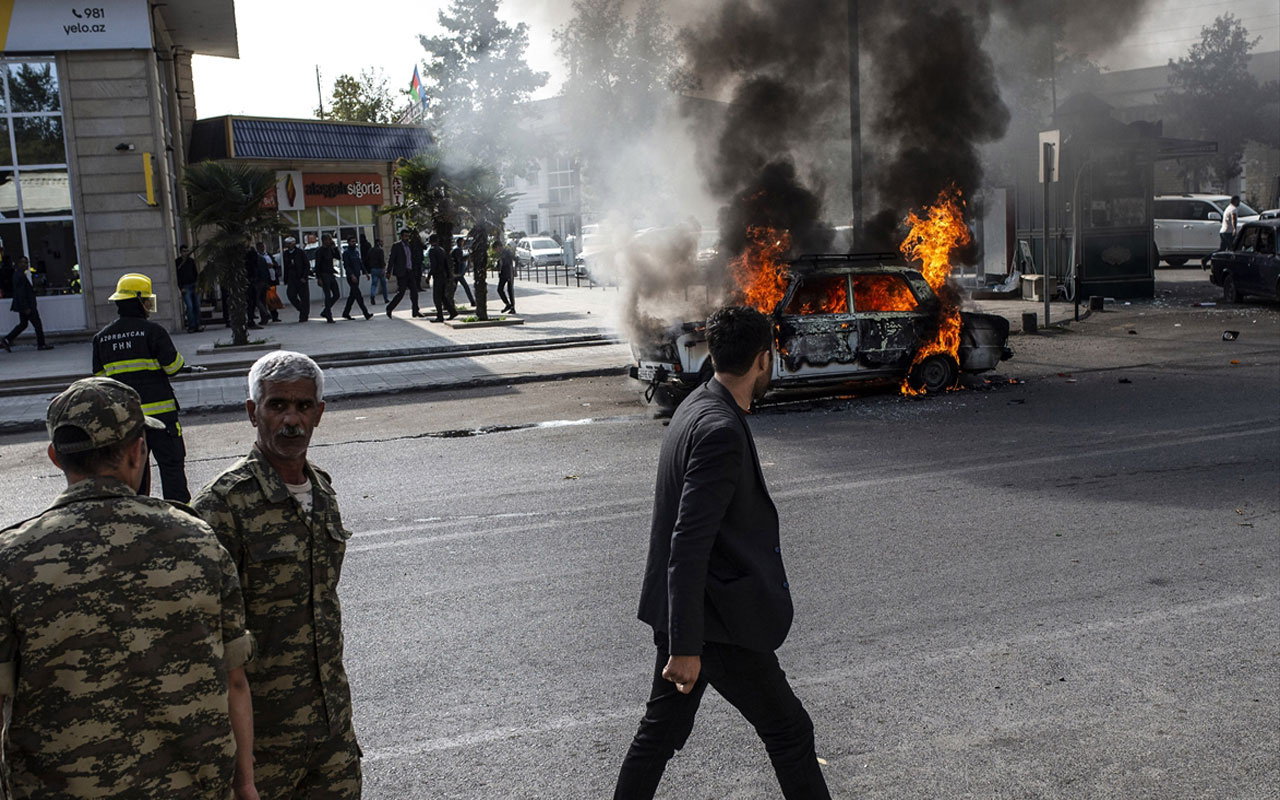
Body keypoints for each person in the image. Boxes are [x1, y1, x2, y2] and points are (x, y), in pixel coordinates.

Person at [0, 376, 256, 799]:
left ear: (54, 457)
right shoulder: (198, 542)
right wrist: (245, 784)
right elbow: (235, 682)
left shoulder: (12, 559)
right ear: (139, 452)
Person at [613, 306, 831, 800]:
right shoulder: (720, 431)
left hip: (693, 614)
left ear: (712, 354)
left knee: (658, 737)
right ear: (762, 360)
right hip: (717, 624)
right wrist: (687, 647)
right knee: (790, 733)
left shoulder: (697, 405)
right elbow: (687, 543)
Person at [192, 351, 362, 799]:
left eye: (303, 407)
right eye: (277, 405)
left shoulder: (323, 492)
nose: (291, 420)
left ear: (319, 413)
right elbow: (202, 637)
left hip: (331, 734)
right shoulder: (221, 505)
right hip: (259, 745)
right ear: (253, 412)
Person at [91, 272, 195, 503]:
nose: (149, 304)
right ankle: (180, 513)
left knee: (133, 472)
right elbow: (173, 367)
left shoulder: (102, 338)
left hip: (126, 420)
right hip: (162, 418)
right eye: (147, 300)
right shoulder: (153, 332)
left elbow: (100, 380)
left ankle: (137, 514)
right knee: (171, 467)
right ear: (138, 301)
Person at [1, 257, 53, 352]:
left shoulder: (19, 275)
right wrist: (26, 307)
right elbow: (21, 293)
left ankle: (7, 339)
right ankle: (41, 344)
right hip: (27, 306)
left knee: (23, 324)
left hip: (24, 305)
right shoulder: (19, 275)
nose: (26, 265)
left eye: (27, 263)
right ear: (19, 263)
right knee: (37, 324)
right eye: (24, 263)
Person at [386, 228, 425, 319]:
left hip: (410, 271)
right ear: (401, 236)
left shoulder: (410, 245)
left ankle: (415, 311)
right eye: (405, 236)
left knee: (414, 291)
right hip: (401, 272)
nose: (407, 238)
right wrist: (388, 271)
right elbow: (391, 259)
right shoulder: (397, 246)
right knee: (401, 292)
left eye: (408, 236)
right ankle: (389, 308)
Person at [341, 234, 373, 320]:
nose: (354, 243)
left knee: (352, 296)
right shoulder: (346, 253)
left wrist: (365, 272)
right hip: (351, 277)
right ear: (348, 243)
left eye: (355, 241)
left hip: (357, 276)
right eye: (352, 242)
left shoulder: (356, 252)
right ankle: (366, 313)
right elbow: (346, 266)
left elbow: (360, 263)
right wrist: (351, 275)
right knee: (358, 296)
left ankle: (346, 313)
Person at [281, 236, 311, 322]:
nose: (288, 246)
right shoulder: (286, 254)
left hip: (301, 277)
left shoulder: (300, 252)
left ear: (294, 244)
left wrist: (304, 276)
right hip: (291, 278)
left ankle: (304, 316)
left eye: (289, 244)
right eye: (287, 244)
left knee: (304, 297)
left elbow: (307, 265)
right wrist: (285, 279)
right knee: (291, 295)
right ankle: (301, 308)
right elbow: (286, 267)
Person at [427, 233, 455, 322]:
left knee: (437, 297)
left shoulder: (432, 250)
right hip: (443, 275)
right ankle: (452, 311)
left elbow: (433, 265)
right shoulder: (441, 250)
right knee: (443, 296)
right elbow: (446, 263)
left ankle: (440, 316)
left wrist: (429, 275)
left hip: (438, 276)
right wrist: (448, 275)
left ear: (430, 242)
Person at [315, 234, 342, 324]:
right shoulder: (320, 251)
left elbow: (338, 257)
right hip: (324, 275)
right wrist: (319, 278)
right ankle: (328, 316)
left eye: (330, 239)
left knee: (336, 294)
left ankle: (325, 311)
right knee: (327, 295)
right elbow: (317, 265)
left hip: (331, 274)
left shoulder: (330, 250)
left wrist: (334, 248)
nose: (330, 241)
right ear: (324, 241)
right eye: (328, 239)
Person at [176, 244, 202, 332]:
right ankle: (191, 326)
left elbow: (196, 274)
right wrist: (181, 287)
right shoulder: (178, 262)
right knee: (190, 306)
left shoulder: (191, 261)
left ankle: (198, 325)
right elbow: (177, 276)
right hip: (185, 287)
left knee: (197, 305)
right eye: (184, 251)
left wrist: (199, 286)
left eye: (187, 251)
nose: (185, 253)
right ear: (180, 252)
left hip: (194, 285)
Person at [257, 242, 280, 323]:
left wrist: (273, 265)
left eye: (263, 246)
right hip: (264, 280)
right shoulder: (258, 257)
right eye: (260, 247)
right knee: (263, 299)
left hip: (272, 279)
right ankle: (265, 317)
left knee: (272, 298)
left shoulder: (268, 255)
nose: (262, 248)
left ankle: (274, 315)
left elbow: (275, 264)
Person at [450, 236, 475, 306]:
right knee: (465, 287)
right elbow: (459, 260)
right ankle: (472, 301)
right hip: (457, 273)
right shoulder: (457, 250)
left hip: (457, 272)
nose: (463, 243)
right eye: (462, 242)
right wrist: (467, 256)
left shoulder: (458, 249)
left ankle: (449, 301)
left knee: (454, 288)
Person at [496, 237, 517, 315]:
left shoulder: (507, 252)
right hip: (503, 274)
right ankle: (508, 304)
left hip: (508, 273)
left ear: (499, 247)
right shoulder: (501, 253)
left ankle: (512, 307)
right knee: (499, 289)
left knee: (510, 290)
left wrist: (514, 269)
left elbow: (515, 259)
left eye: (496, 249)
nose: (496, 251)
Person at [368, 238, 388, 304]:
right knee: (384, 285)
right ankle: (386, 298)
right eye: (381, 242)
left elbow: (368, 259)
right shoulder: (380, 250)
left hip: (373, 269)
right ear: (378, 242)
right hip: (380, 268)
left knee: (374, 284)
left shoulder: (370, 250)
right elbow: (382, 260)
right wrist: (384, 268)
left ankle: (372, 295)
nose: (382, 243)